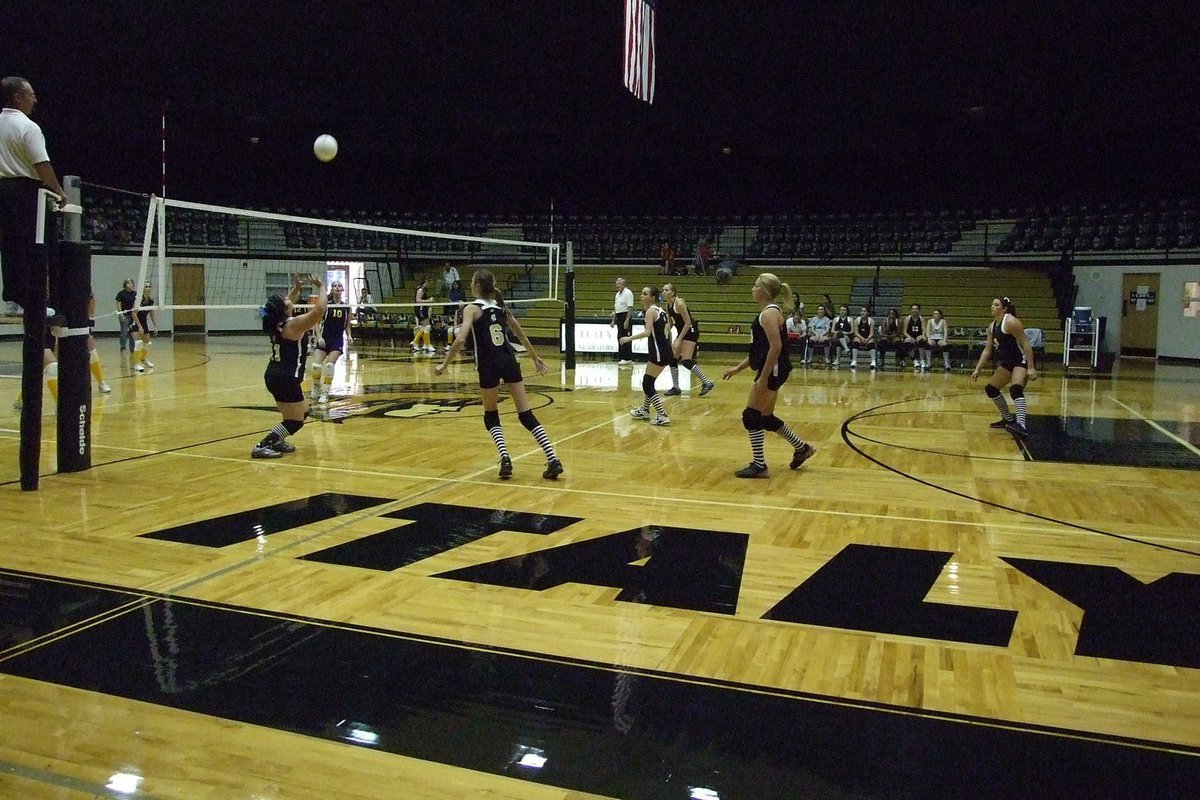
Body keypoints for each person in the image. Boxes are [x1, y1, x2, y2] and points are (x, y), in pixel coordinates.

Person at [434, 269, 564, 480]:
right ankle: (553, 459)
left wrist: (444, 364)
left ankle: (505, 458)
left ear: (476, 286)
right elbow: (520, 333)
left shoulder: (472, 309)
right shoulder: (501, 308)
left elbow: (459, 340)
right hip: (509, 361)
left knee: (491, 415)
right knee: (525, 414)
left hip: (488, 365)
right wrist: (535, 357)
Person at [721, 273, 816, 478]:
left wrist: (763, 378)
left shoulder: (768, 314)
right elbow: (761, 350)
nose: (752, 290)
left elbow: (776, 347)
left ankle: (759, 465)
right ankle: (802, 448)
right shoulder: (769, 312)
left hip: (772, 370)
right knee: (766, 418)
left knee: (751, 415)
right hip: (775, 368)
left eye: (755, 286)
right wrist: (739, 368)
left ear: (764, 290)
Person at [0, 77, 67, 317]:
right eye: (31, 95)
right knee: (35, 247)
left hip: (3, 190)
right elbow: (42, 165)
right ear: (17, 97)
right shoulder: (28, 126)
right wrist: (59, 191)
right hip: (26, 191)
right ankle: (32, 302)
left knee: (10, 246)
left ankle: (13, 300)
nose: (35, 99)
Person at [251, 274, 326, 458]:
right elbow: (319, 311)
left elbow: (287, 303)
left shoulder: (275, 321)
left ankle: (277, 440)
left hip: (276, 375)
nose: (288, 299)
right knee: (296, 420)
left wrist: (297, 288)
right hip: (285, 378)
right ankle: (263, 445)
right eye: (285, 300)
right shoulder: (293, 326)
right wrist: (322, 287)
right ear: (284, 308)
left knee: (301, 413)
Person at [972, 296, 1038, 437]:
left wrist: (1031, 368)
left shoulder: (1011, 322)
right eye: (992, 304)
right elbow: (987, 350)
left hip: (1022, 359)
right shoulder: (992, 326)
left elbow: (1026, 344)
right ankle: (1007, 419)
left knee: (1015, 390)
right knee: (991, 389)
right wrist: (978, 368)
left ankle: (1021, 425)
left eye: (996, 305)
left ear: (1004, 308)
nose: (992, 307)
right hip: (1008, 361)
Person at [618, 286, 672, 425]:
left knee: (647, 384)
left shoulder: (650, 311)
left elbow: (647, 332)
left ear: (652, 297)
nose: (641, 296)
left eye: (645, 294)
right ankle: (645, 409)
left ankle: (662, 415)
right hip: (662, 349)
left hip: (658, 351)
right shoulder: (660, 310)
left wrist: (627, 339)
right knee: (649, 381)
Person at [662, 283, 716, 397]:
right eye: (663, 290)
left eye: (666, 290)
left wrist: (678, 339)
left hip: (690, 331)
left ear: (673, 292)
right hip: (683, 331)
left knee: (686, 361)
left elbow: (688, 323)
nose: (664, 292)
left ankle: (707, 382)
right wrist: (665, 333)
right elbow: (670, 322)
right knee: (672, 359)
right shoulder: (668, 304)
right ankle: (676, 387)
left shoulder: (679, 303)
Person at [309, 279, 351, 404]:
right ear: (331, 289)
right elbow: (316, 322)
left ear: (342, 289)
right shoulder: (326, 304)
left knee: (329, 366)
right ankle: (316, 386)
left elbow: (347, 325)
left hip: (337, 340)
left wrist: (349, 336)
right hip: (324, 338)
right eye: (334, 286)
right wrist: (319, 337)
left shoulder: (346, 307)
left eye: (339, 286)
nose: (337, 287)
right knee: (316, 366)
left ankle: (325, 393)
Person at [86, 292, 110, 393]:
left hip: (81, 325)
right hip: (63, 326)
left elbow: (91, 313)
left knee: (92, 352)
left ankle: (101, 382)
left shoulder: (89, 294)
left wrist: (87, 320)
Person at [132, 281, 157, 372]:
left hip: (144, 322)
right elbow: (133, 313)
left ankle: (143, 359)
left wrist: (155, 325)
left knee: (147, 344)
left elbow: (152, 313)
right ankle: (137, 364)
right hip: (135, 322)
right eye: (146, 287)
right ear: (142, 289)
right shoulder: (138, 299)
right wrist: (139, 327)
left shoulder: (150, 300)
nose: (148, 288)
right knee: (138, 343)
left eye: (149, 287)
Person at [611, 276, 634, 366]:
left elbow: (630, 307)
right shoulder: (617, 294)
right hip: (619, 316)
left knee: (626, 337)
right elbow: (616, 308)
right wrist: (613, 320)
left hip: (625, 316)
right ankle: (622, 356)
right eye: (616, 284)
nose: (617, 285)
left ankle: (627, 358)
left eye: (619, 284)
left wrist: (627, 320)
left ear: (624, 284)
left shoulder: (628, 293)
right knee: (619, 336)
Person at [849, 305, 877, 370]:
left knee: (871, 343)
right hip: (859, 336)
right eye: (861, 311)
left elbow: (872, 333)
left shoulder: (871, 321)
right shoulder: (857, 320)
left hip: (868, 337)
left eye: (864, 311)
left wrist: (867, 339)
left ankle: (873, 361)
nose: (863, 313)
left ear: (868, 313)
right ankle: (854, 361)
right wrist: (862, 338)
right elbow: (856, 332)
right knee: (855, 342)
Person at [903, 303, 929, 371]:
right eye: (913, 309)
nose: (915, 310)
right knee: (907, 344)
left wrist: (922, 335)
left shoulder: (922, 318)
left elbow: (924, 329)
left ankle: (922, 360)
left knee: (923, 341)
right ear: (911, 310)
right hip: (910, 336)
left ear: (919, 310)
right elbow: (904, 331)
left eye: (916, 309)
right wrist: (909, 337)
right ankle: (915, 361)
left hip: (918, 336)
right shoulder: (907, 318)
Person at [411, 277, 434, 354]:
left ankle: (417, 343)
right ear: (425, 281)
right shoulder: (420, 290)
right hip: (419, 309)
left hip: (423, 309)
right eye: (429, 283)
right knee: (427, 326)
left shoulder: (424, 289)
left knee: (425, 327)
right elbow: (418, 300)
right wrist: (428, 301)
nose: (430, 285)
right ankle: (426, 344)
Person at [114, 278, 136, 352]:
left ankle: (132, 348)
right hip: (125, 315)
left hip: (133, 315)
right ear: (125, 285)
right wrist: (121, 314)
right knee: (124, 332)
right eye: (129, 283)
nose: (130, 284)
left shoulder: (135, 293)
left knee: (133, 331)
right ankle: (123, 347)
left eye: (132, 283)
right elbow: (118, 303)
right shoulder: (121, 293)